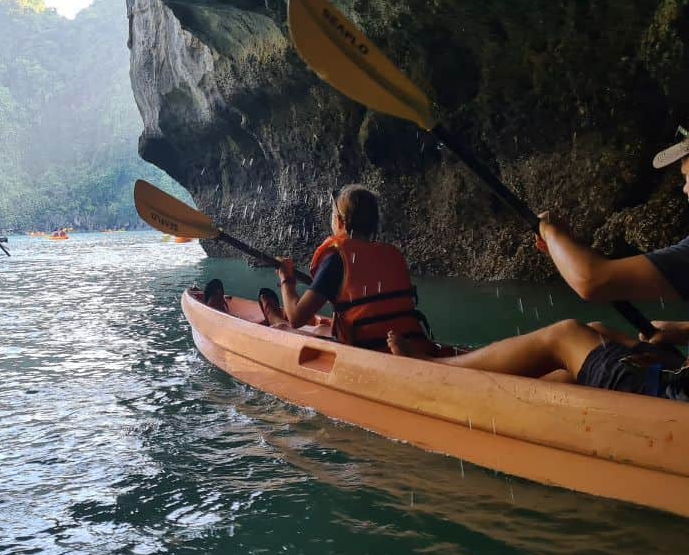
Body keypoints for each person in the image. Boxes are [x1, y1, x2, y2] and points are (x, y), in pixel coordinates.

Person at [388, 133, 689, 401]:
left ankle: (433, 370)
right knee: (595, 333)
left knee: (564, 335)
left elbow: (592, 280)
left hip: (678, 396)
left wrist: (551, 232)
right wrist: (682, 331)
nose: (685, 189)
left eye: (688, 176)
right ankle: (508, 404)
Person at [263, 184, 432, 351]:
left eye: (332, 214)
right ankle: (276, 318)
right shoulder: (392, 254)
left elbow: (296, 318)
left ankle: (276, 320)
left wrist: (286, 278)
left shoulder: (337, 260)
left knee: (292, 327)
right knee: (323, 329)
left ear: (340, 221)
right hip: (416, 346)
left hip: (372, 354)